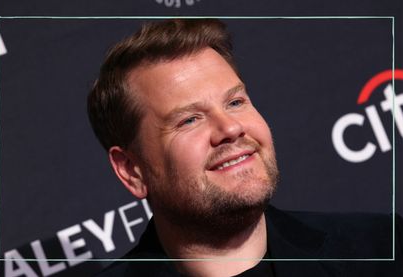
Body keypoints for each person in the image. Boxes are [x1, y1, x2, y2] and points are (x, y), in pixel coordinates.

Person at [88, 19, 402, 276]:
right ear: (132, 171)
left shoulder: (381, 249)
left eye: (236, 102)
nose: (231, 128)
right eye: (189, 120)